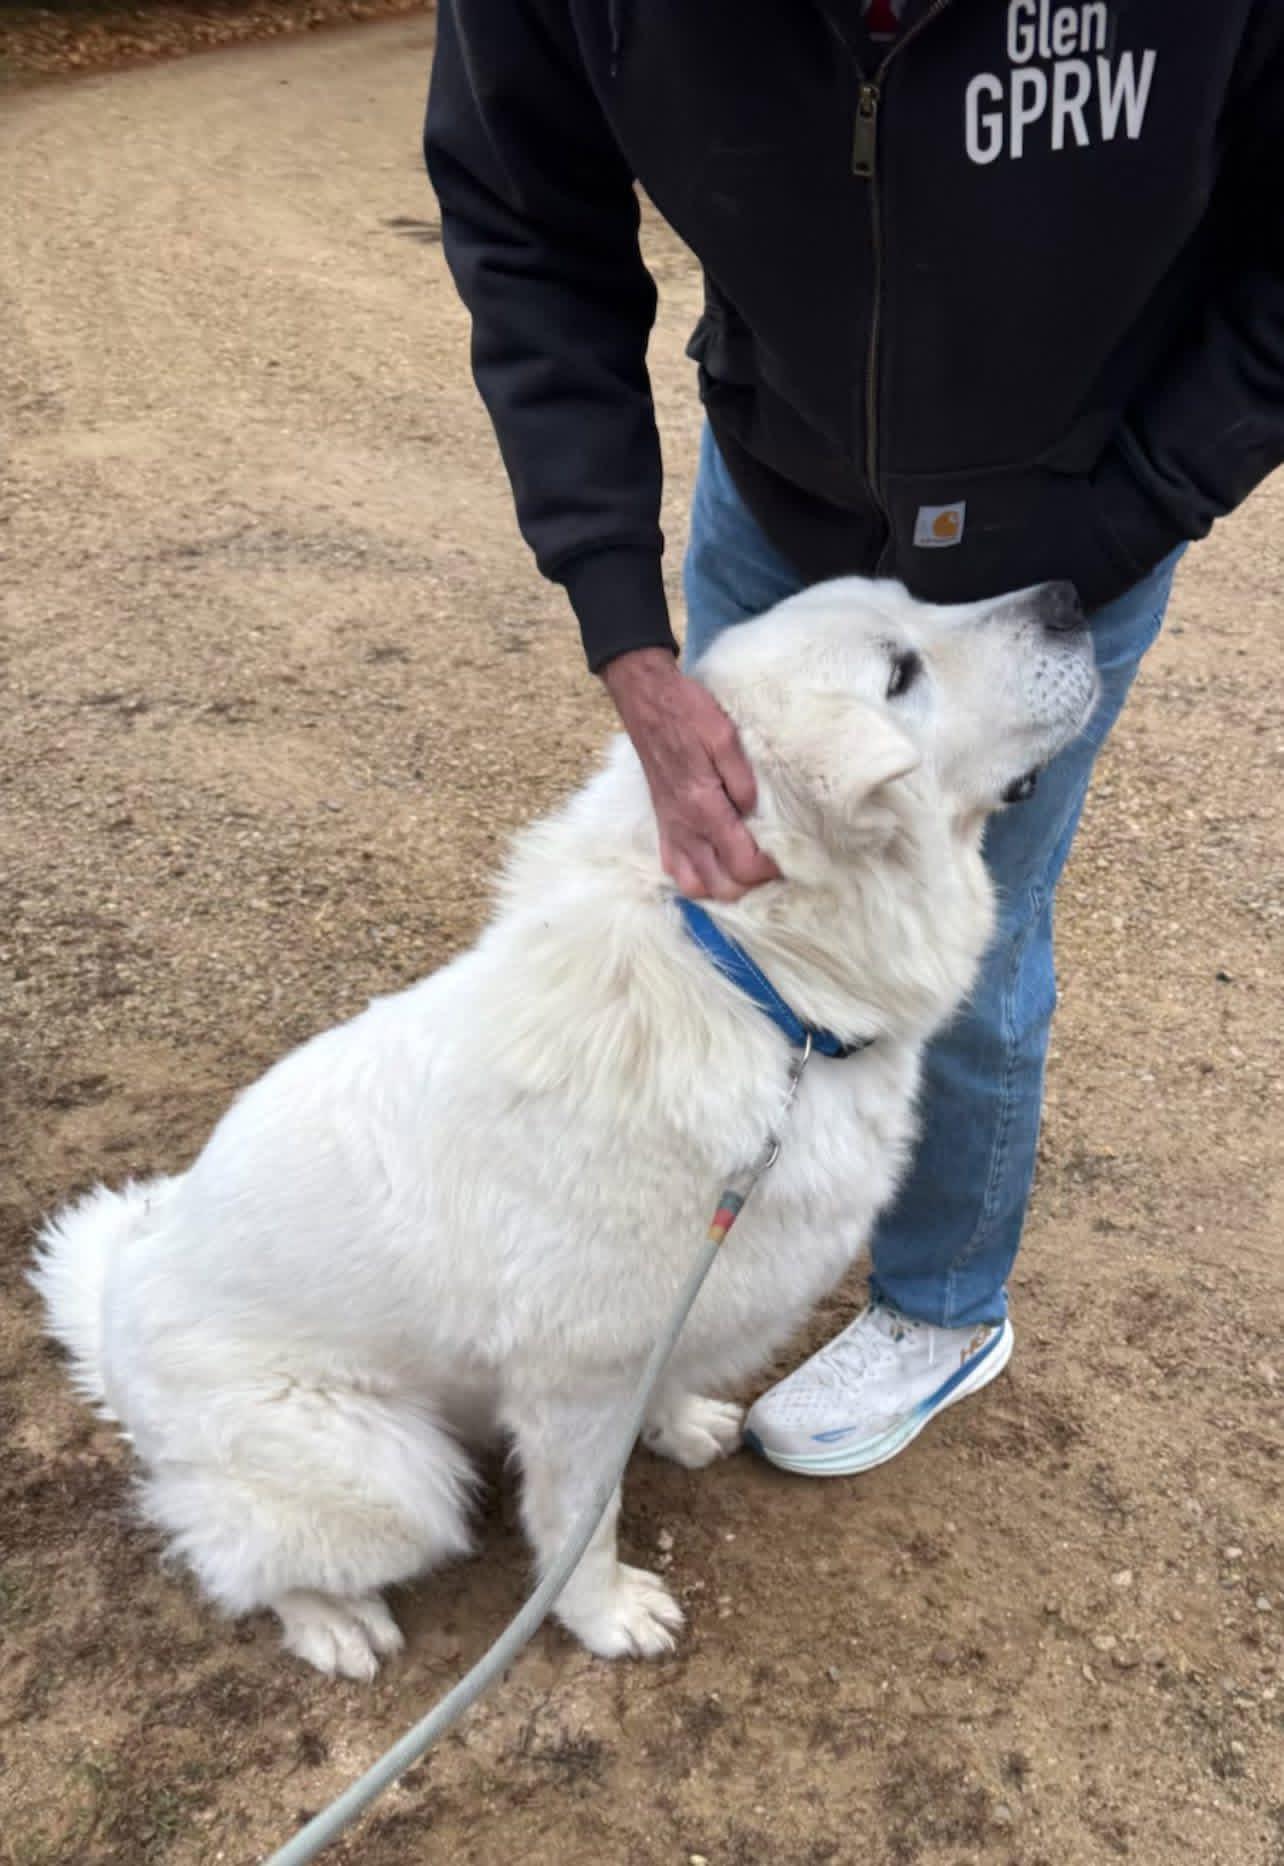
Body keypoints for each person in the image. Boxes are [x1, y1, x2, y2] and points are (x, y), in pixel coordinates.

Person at [424, 2, 1284, 1477]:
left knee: (964, 927)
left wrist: (1135, 503)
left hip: (1070, 522)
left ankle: (942, 1304)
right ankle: (706, 1261)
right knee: (731, 905)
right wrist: (628, 633)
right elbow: (523, 218)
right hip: (787, 493)